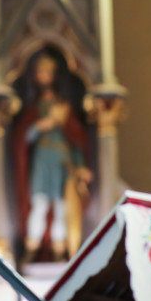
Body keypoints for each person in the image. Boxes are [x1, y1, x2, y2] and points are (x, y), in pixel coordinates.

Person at [11, 54, 91, 263]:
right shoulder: (34, 110)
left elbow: (75, 140)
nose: (44, 77)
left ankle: (59, 251)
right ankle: (31, 250)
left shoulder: (65, 109)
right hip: (42, 161)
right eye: (40, 72)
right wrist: (39, 127)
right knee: (39, 205)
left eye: (47, 72)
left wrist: (80, 166)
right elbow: (23, 138)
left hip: (62, 163)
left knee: (61, 207)